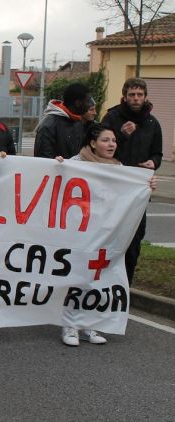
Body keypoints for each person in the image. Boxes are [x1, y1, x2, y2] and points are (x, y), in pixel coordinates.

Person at [55, 122, 156, 346]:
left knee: (97, 277)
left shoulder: (119, 167)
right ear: (92, 143)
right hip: (78, 232)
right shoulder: (76, 163)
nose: (111, 144)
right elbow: (56, 179)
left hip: (104, 233)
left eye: (113, 140)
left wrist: (147, 183)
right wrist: (57, 166)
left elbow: (127, 194)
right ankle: (69, 325)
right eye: (105, 140)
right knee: (76, 277)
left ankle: (89, 324)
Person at [102, 77, 163, 284]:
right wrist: (121, 136)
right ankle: (104, 279)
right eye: (132, 95)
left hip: (138, 191)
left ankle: (125, 282)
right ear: (124, 97)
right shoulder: (112, 118)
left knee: (135, 238)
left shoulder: (153, 123)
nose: (136, 99)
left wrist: (152, 163)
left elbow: (157, 154)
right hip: (113, 189)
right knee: (110, 236)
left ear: (145, 97)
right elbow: (99, 149)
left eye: (139, 95)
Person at [34, 83, 92, 159]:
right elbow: (43, 160)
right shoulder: (49, 126)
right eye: (88, 101)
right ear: (78, 103)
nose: (90, 105)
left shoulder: (78, 122)